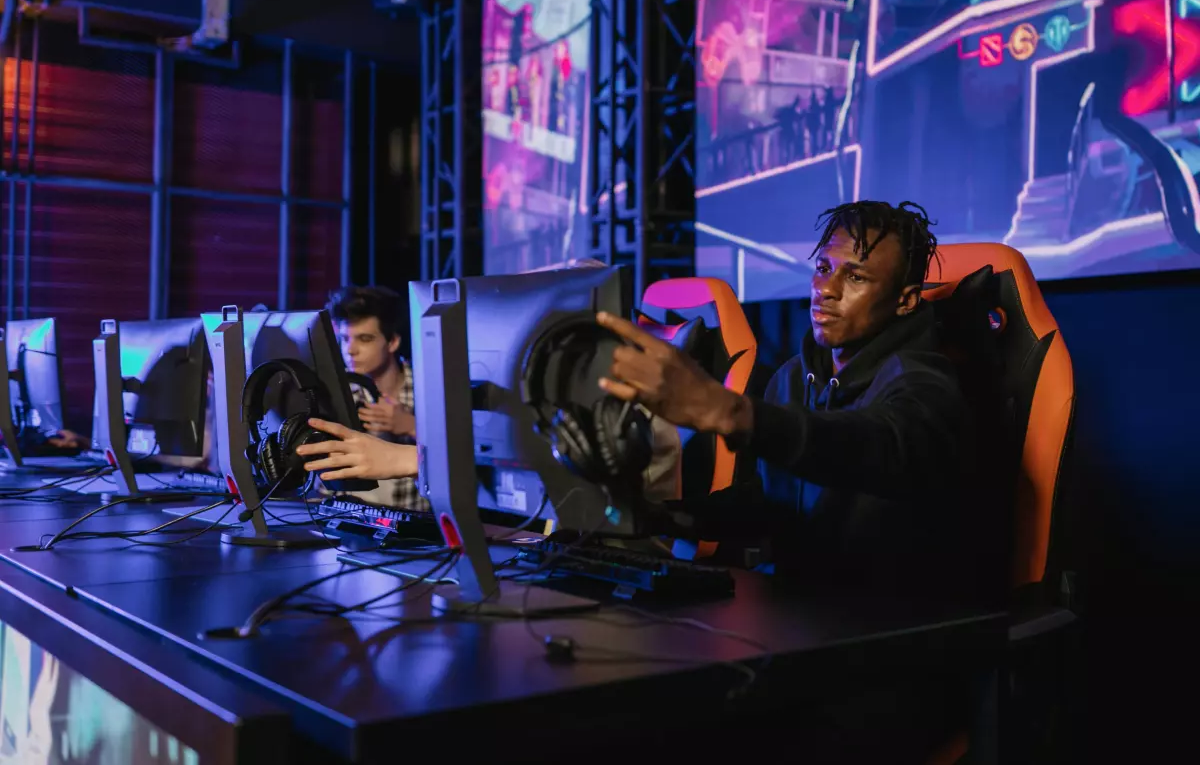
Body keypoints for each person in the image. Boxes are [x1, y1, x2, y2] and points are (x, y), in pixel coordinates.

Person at [597, 200, 1006, 598]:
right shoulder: (794, 377)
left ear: (905, 300)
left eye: (856, 277)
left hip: (884, 628)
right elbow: (774, 506)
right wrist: (658, 516)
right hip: (801, 611)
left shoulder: (926, 385)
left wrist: (729, 411)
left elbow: (880, 443)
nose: (826, 289)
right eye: (824, 267)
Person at [298, 263, 683, 505]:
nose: (351, 351)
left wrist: (410, 445)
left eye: (363, 339)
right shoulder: (518, 396)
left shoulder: (636, 416)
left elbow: (596, 469)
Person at [323, 286, 426, 511]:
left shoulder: (427, 388)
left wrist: (411, 426)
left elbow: (465, 460)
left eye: (365, 339)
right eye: (344, 339)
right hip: (347, 524)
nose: (350, 350)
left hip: (411, 533)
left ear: (392, 342)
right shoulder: (332, 392)